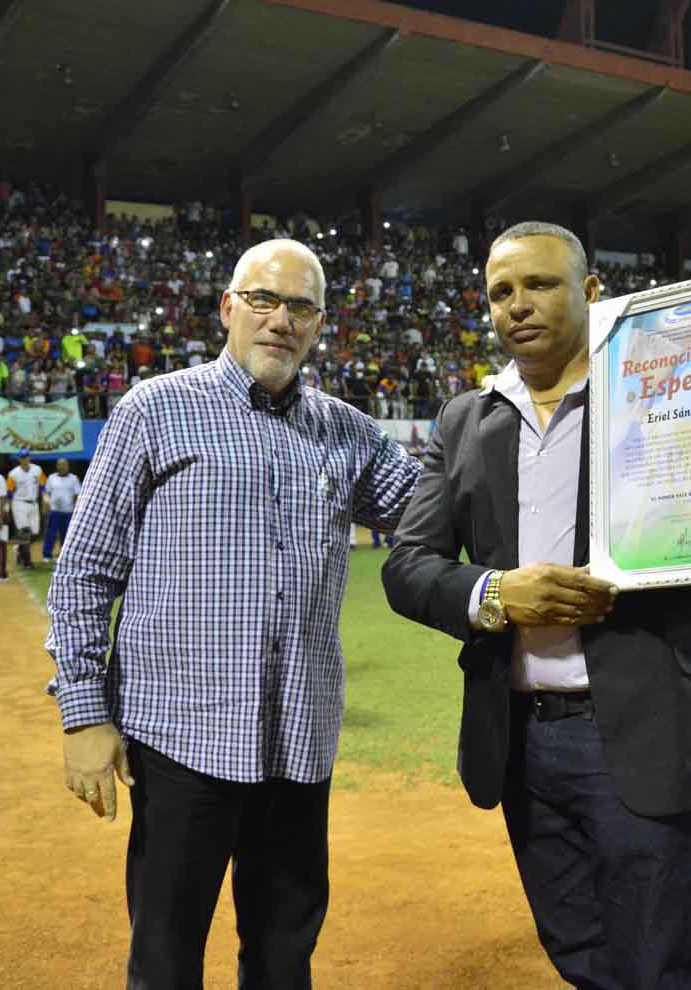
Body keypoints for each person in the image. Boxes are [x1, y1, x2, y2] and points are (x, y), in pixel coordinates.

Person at [382, 222, 691, 990]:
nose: (517, 305)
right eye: (500, 292)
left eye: (540, 284)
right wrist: (495, 593)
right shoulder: (465, 418)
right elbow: (408, 565)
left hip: (644, 727)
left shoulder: (671, 391)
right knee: (581, 958)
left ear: (592, 292)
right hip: (520, 742)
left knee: (660, 969)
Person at [45, 238, 422, 989]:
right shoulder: (156, 410)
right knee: (166, 957)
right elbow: (85, 570)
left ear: (319, 326)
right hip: (182, 740)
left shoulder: (348, 432)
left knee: (284, 956)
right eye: (264, 300)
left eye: (301, 307)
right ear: (229, 307)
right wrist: (85, 716)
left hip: (297, 742)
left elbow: (437, 511)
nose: (281, 320)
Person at [6, 448, 46, 570]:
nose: (25, 459)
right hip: (19, 504)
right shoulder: (13, 474)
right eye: (22, 457)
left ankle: (19, 549)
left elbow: (43, 486)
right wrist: (7, 508)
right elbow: (9, 493)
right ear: (19, 459)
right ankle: (27, 562)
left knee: (35, 533)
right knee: (25, 533)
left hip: (33, 504)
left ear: (29, 457)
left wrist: (45, 499)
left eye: (27, 457)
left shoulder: (37, 470)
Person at [41, 458, 81, 564]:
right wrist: (46, 507)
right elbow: (46, 494)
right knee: (51, 534)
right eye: (59, 465)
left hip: (68, 512)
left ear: (68, 466)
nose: (61, 467)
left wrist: (76, 511)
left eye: (63, 465)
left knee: (67, 535)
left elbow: (77, 495)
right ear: (56, 466)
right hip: (54, 511)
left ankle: (65, 555)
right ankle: (47, 555)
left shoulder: (74, 478)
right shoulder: (51, 478)